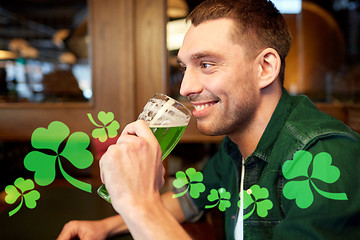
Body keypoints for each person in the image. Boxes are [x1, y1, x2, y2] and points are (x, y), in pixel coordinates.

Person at [57, 0, 360, 239]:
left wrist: (140, 204)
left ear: (265, 68)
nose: (186, 87)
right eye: (185, 67)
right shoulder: (234, 146)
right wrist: (108, 226)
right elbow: (189, 199)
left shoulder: (325, 158)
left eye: (206, 64)